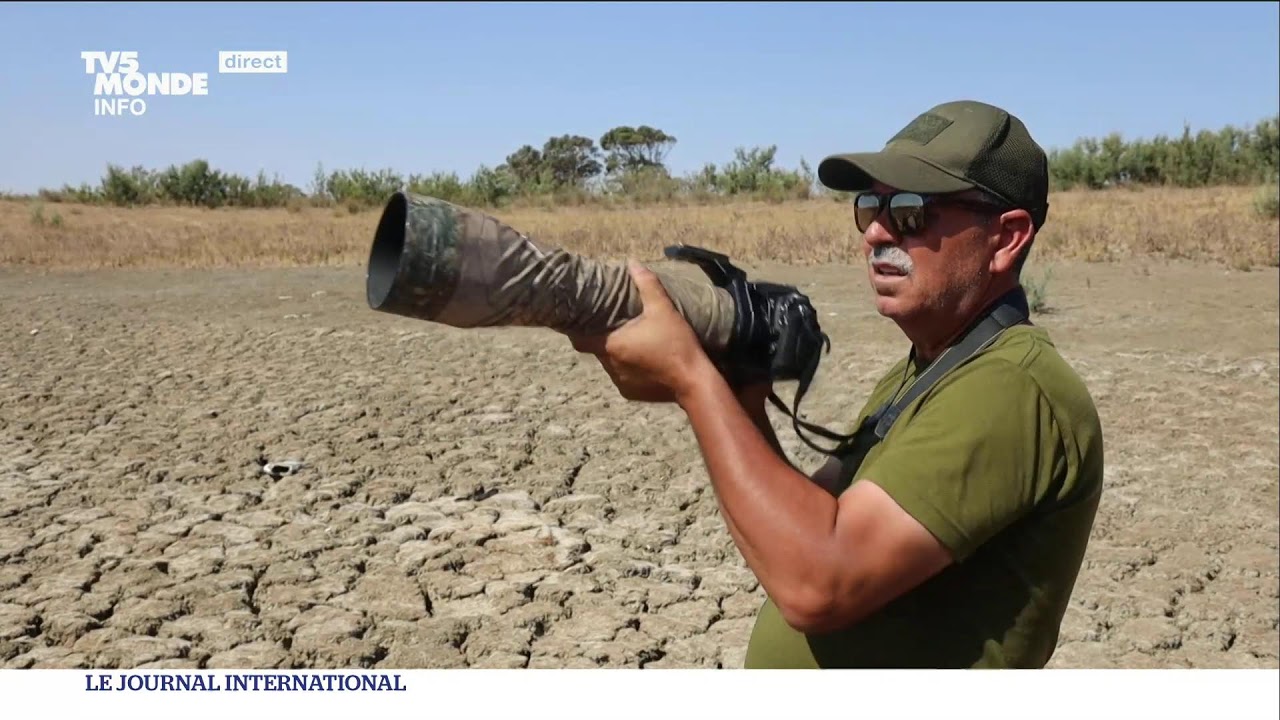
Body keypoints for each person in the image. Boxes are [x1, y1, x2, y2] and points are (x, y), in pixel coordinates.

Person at [565, 99, 1104, 669]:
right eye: (870, 205)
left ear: (1007, 237)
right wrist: (739, 389)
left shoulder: (1010, 388)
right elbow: (808, 521)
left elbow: (817, 581)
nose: (875, 231)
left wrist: (692, 380)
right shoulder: (930, 367)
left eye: (912, 211)